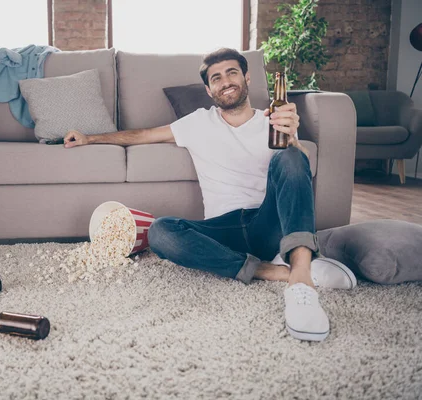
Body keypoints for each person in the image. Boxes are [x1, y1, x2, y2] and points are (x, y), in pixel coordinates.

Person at [62, 48, 356, 342]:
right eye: (216, 78)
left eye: (232, 73)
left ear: (247, 78)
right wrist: (91, 137)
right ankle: (274, 272)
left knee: (291, 157)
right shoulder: (197, 123)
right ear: (209, 89)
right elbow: (141, 135)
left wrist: (293, 140)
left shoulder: (272, 121)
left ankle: (301, 279)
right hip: (222, 229)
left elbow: (298, 168)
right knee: (160, 231)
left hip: (268, 223)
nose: (225, 81)